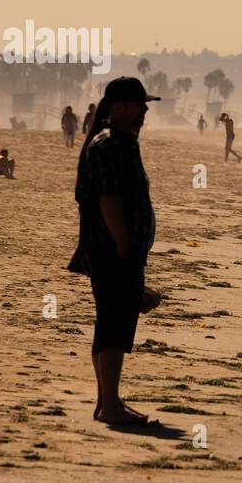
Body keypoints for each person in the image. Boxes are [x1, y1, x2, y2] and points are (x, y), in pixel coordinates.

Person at [68, 76, 161, 426]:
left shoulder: (124, 142)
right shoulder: (110, 145)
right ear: (119, 107)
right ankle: (110, 405)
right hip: (112, 251)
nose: (145, 111)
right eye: (139, 105)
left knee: (114, 324)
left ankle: (108, 400)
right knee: (114, 326)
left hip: (120, 251)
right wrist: (124, 246)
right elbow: (108, 199)